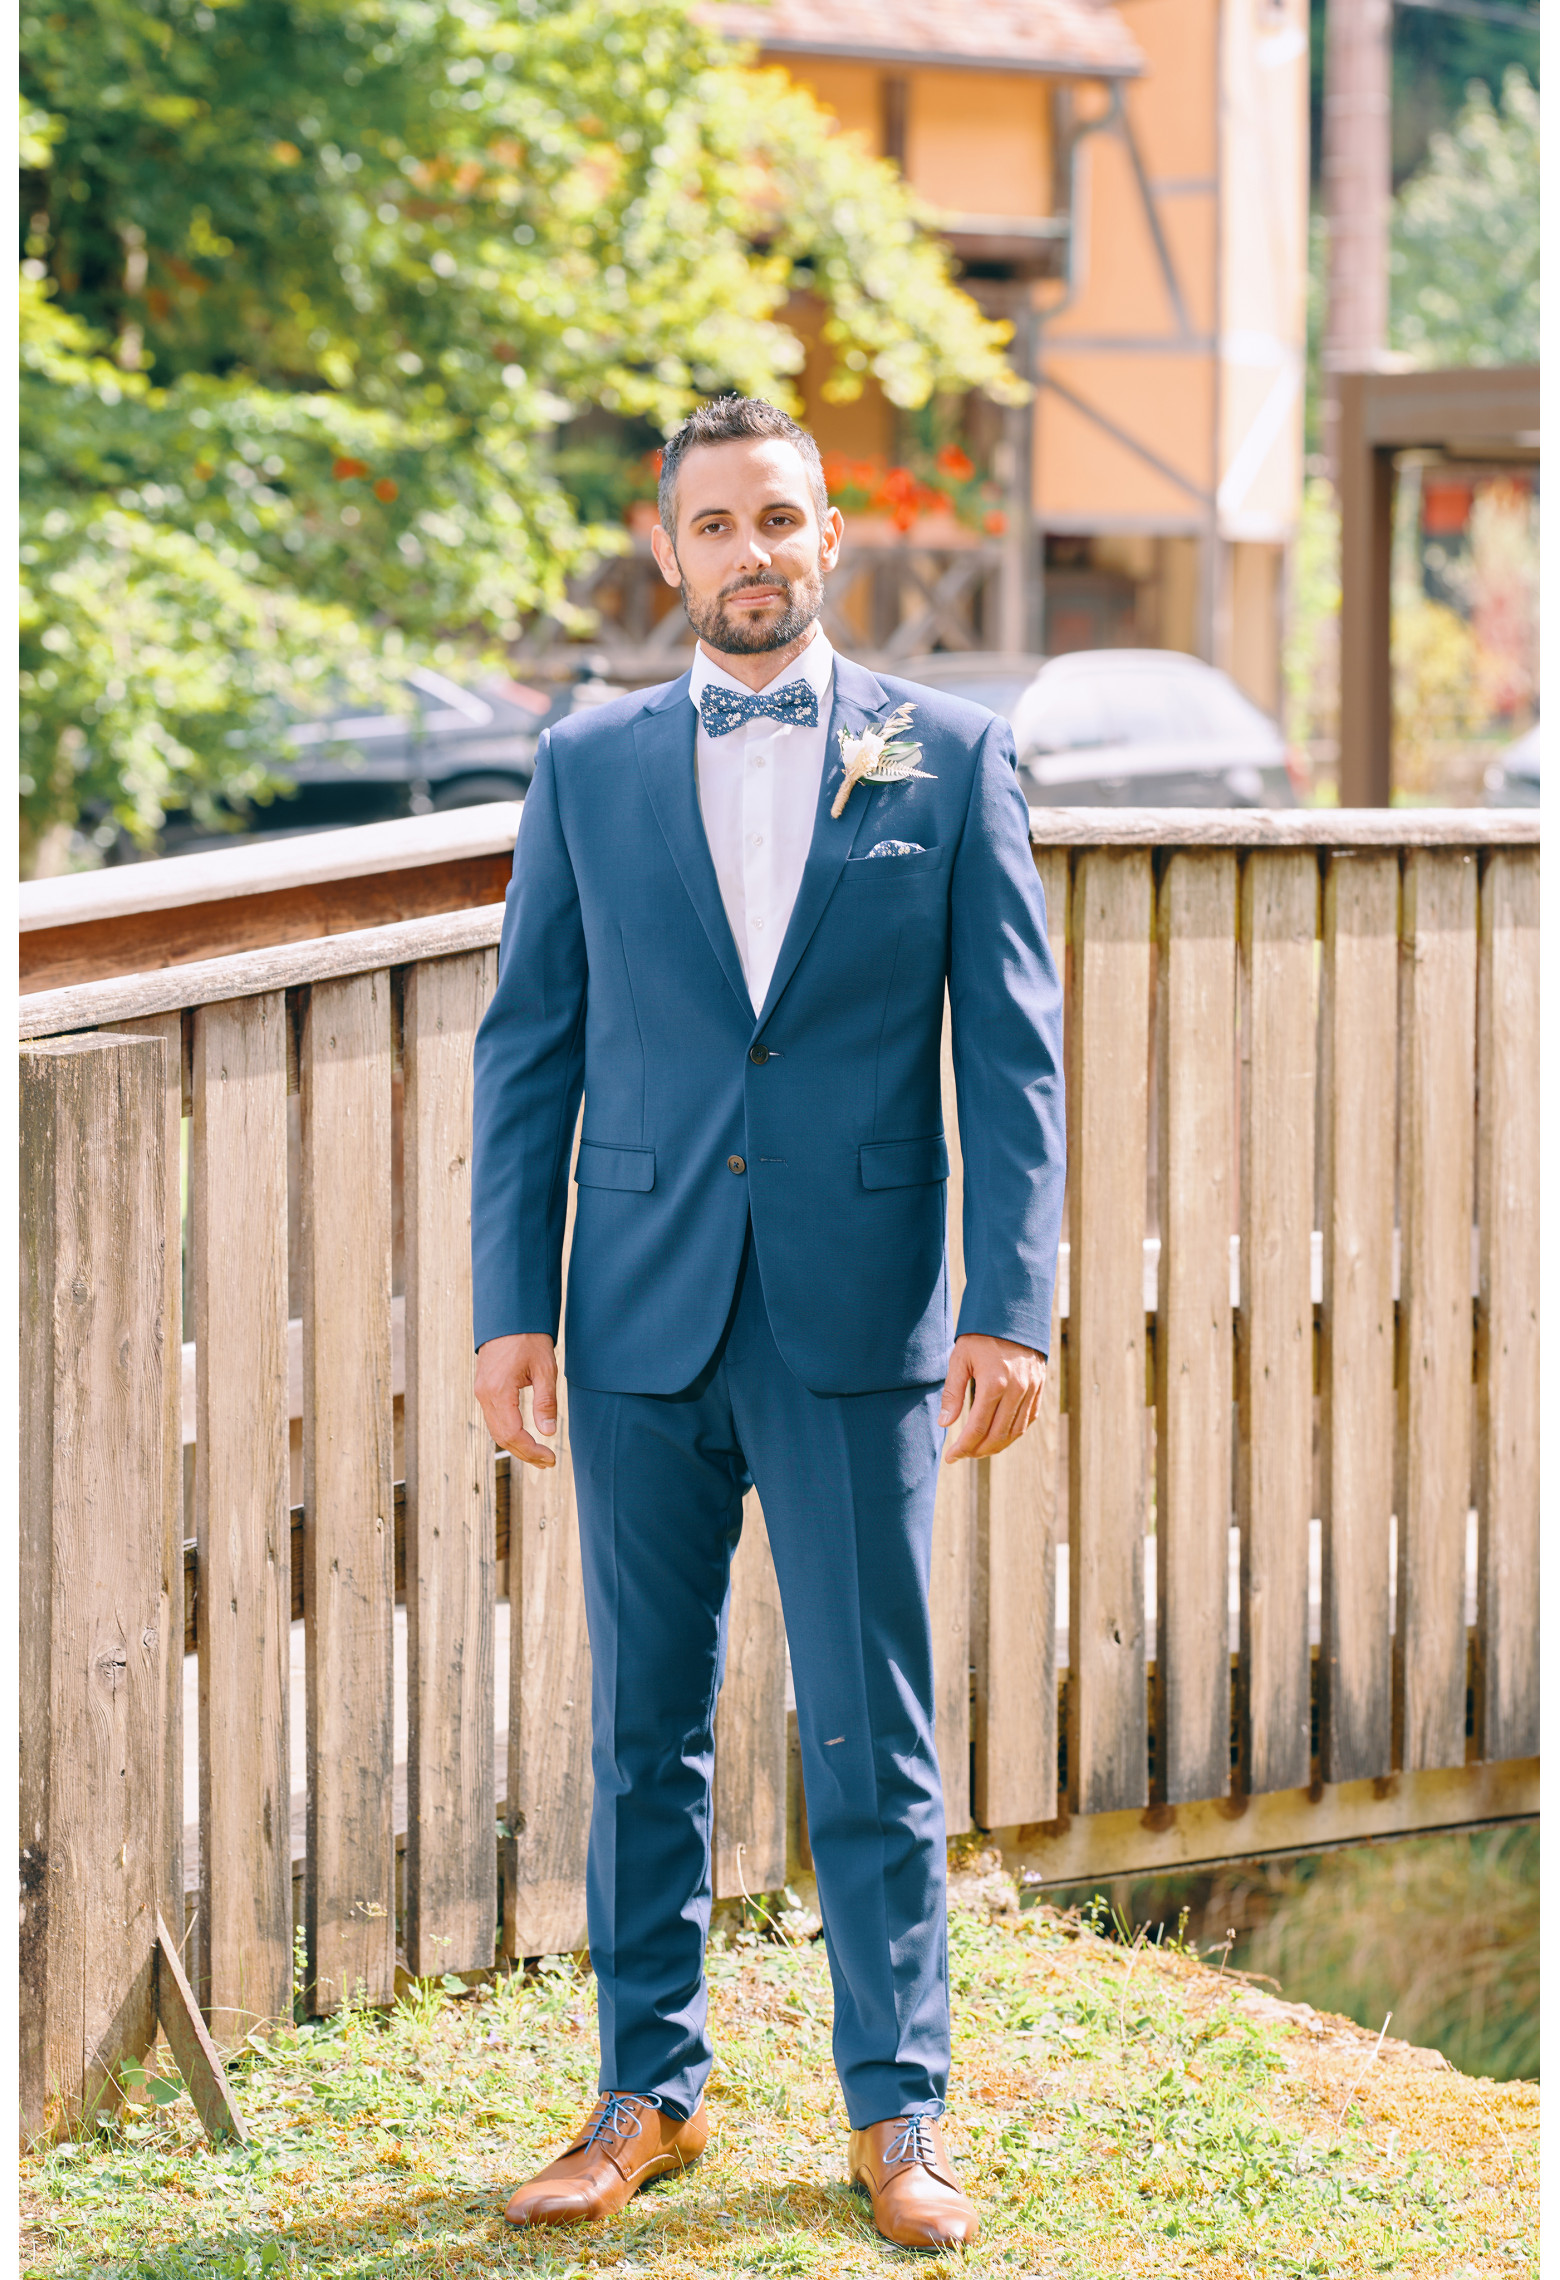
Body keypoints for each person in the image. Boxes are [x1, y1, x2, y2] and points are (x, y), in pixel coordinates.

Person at [471, 395, 1065, 2250]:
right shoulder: (584, 764)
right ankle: (644, 2093)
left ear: (831, 539)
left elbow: (1014, 1056)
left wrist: (1008, 1303)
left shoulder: (948, 756)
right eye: (715, 523)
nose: (750, 553)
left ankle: (900, 2112)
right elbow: (529, 1047)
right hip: (636, 1316)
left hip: (860, 1317)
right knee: (643, 1726)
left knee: (872, 1729)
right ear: (667, 549)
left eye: (780, 520)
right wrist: (509, 1306)